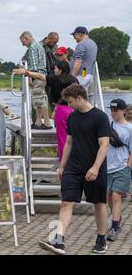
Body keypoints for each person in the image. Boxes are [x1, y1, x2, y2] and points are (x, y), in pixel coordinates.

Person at [39, 84, 110, 255]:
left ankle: (101, 238)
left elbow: (104, 144)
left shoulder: (100, 117)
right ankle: (58, 242)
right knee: (66, 202)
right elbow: (69, 142)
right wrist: (62, 166)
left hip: (94, 169)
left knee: (98, 204)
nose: (69, 105)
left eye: (71, 102)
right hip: (73, 167)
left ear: (80, 98)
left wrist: (95, 167)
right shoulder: (72, 117)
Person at [13, 61, 78, 159]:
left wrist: (26, 72)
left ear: (60, 70)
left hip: (62, 111)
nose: (54, 70)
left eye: (55, 68)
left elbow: (39, 76)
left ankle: (63, 162)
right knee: (74, 138)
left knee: (62, 139)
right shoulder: (74, 79)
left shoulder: (56, 79)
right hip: (74, 110)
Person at [105, 99, 132, 241]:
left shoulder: (130, 128)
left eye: (116, 110)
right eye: (112, 110)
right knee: (109, 196)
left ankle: (114, 227)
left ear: (123, 111)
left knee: (116, 196)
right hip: (107, 168)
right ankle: (117, 218)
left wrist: (129, 167)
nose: (113, 113)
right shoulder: (107, 125)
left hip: (122, 168)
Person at [20, 31, 51, 129]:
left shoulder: (32, 47)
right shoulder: (39, 45)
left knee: (40, 100)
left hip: (37, 76)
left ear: (26, 38)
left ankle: (46, 122)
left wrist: (29, 77)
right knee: (38, 99)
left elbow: (33, 66)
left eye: (23, 42)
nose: (22, 44)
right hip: (42, 75)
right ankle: (38, 122)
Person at [70, 26, 98, 102]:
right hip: (90, 74)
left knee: (76, 96)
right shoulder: (93, 44)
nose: (74, 38)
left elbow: (78, 61)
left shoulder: (81, 44)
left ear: (80, 34)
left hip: (81, 75)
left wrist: (72, 76)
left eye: (74, 35)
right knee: (85, 96)